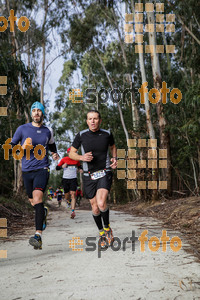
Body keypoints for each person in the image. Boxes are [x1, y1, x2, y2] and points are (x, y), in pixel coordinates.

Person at [11, 101, 59, 250]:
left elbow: (51, 143)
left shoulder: (47, 130)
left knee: (38, 198)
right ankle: (43, 211)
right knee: (33, 202)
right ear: (31, 113)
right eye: (34, 110)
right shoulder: (22, 129)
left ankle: (38, 236)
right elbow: (13, 148)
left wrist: (54, 153)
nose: (36, 113)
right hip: (26, 171)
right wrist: (22, 147)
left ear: (43, 114)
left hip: (42, 169)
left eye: (39, 110)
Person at [69, 110, 117, 248]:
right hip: (88, 175)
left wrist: (114, 158)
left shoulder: (107, 134)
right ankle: (101, 233)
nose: (93, 121)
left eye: (95, 118)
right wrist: (81, 158)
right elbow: (72, 153)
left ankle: (107, 229)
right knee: (95, 208)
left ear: (100, 120)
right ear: (87, 121)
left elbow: (113, 147)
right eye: (90, 119)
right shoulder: (81, 135)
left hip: (104, 172)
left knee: (102, 203)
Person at [56, 147, 82, 219]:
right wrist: (62, 166)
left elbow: (80, 166)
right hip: (65, 179)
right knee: (67, 196)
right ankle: (68, 201)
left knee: (73, 194)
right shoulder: (64, 159)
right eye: (70, 152)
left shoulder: (76, 160)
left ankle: (73, 211)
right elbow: (57, 168)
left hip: (73, 179)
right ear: (68, 153)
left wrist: (80, 169)